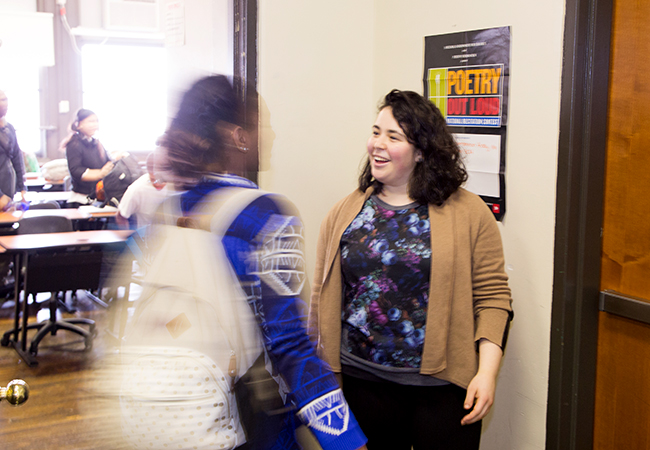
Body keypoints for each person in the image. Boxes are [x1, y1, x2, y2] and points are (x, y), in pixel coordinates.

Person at [123, 75, 367, 450]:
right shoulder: (265, 214)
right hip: (250, 422)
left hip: (172, 415)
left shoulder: (170, 206)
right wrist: (345, 440)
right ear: (240, 137)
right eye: (263, 125)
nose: (270, 136)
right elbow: (289, 344)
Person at [308, 89, 513, 449]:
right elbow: (320, 297)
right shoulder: (344, 213)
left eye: (393, 136)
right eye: (375, 132)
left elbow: (494, 298)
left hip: (443, 389)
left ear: (421, 151)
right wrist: (320, 379)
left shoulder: (470, 213)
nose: (377, 144)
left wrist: (486, 372)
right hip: (360, 383)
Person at [61, 108, 114, 207]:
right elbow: (76, 171)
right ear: (79, 124)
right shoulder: (74, 144)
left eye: (96, 121)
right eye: (90, 121)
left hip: (98, 197)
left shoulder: (96, 143)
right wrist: (100, 173)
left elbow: (108, 162)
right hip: (81, 199)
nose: (95, 125)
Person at [115, 152, 169, 229]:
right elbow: (121, 216)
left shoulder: (177, 185)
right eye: (153, 179)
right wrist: (129, 237)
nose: (157, 184)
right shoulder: (137, 189)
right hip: (148, 237)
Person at [0, 90, 26, 211]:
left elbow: (17, 158)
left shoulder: (9, 128)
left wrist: (22, 188)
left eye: (5, 100)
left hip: (9, 192)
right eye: (1, 100)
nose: (4, 104)